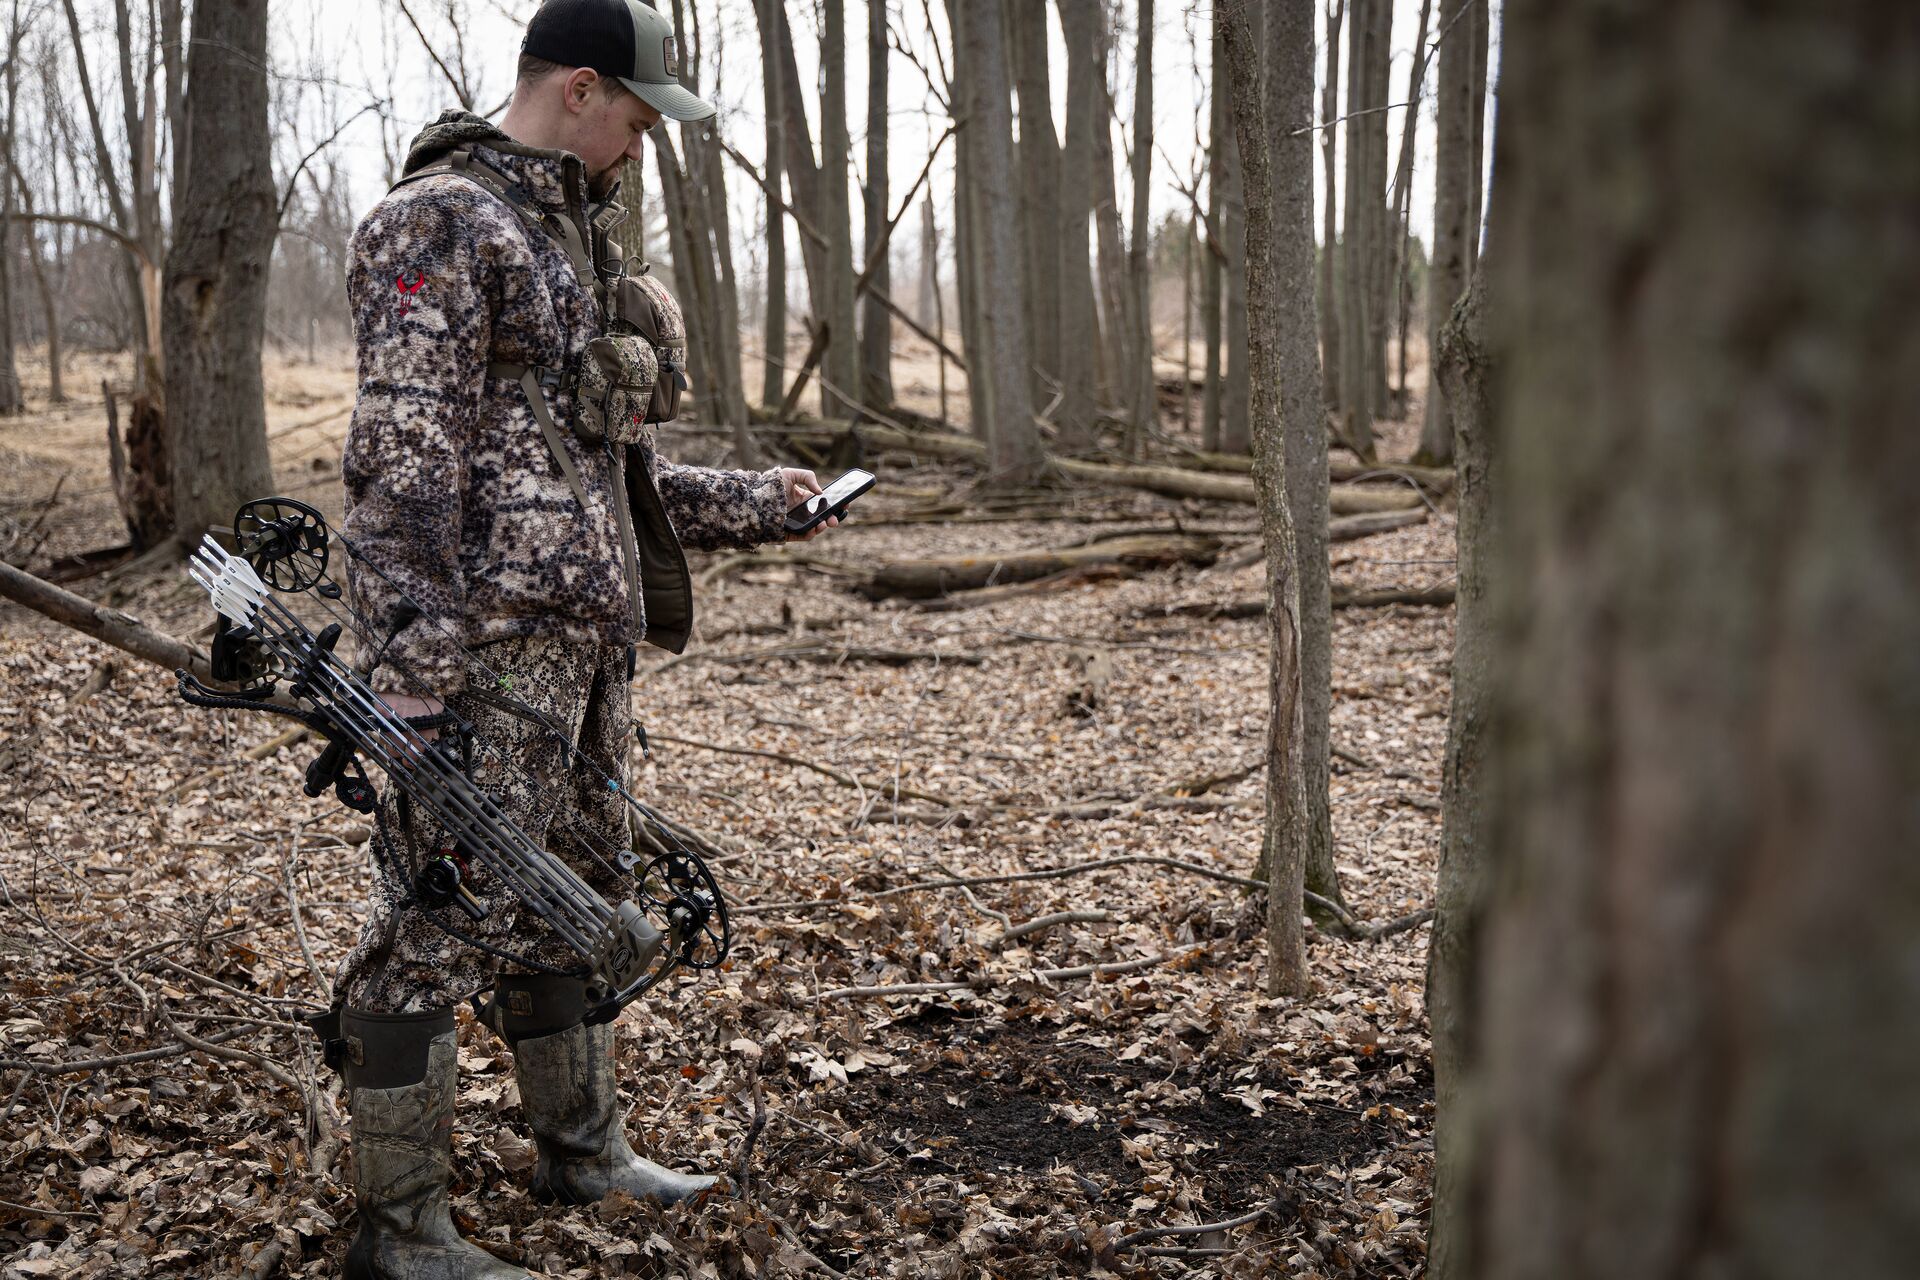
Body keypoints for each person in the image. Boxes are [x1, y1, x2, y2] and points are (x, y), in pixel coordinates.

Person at [322, 3, 832, 1275]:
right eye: (642, 122)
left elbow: (612, 477)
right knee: (438, 919)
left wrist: (770, 504)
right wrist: (419, 673)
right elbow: (401, 469)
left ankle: (581, 1151)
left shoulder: (565, 237)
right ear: (584, 89)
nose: (644, 148)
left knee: (574, 899)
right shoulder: (438, 222)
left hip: (582, 659)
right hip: (484, 658)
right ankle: (399, 1231)